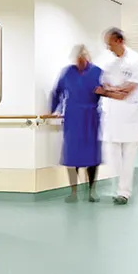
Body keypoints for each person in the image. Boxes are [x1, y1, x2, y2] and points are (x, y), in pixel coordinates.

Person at [97, 27, 138, 205]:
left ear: (119, 41)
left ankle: (124, 192)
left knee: (128, 158)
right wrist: (115, 89)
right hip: (113, 117)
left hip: (131, 116)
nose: (108, 48)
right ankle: (118, 188)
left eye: (110, 44)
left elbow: (125, 93)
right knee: (113, 157)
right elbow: (104, 86)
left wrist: (112, 90)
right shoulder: (110, 65)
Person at [50, 44, 104, 203]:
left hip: (91, 118)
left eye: (83, 59)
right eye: (78, 59)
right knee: (72, 155)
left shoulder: (97, 72)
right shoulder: (67, 72)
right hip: (73, 117)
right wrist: (55, 109)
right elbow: (57, 92)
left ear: (88, 58)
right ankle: (73, 191)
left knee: (92, 156)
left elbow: (106, 91)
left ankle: (92, 190)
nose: (80, 62)